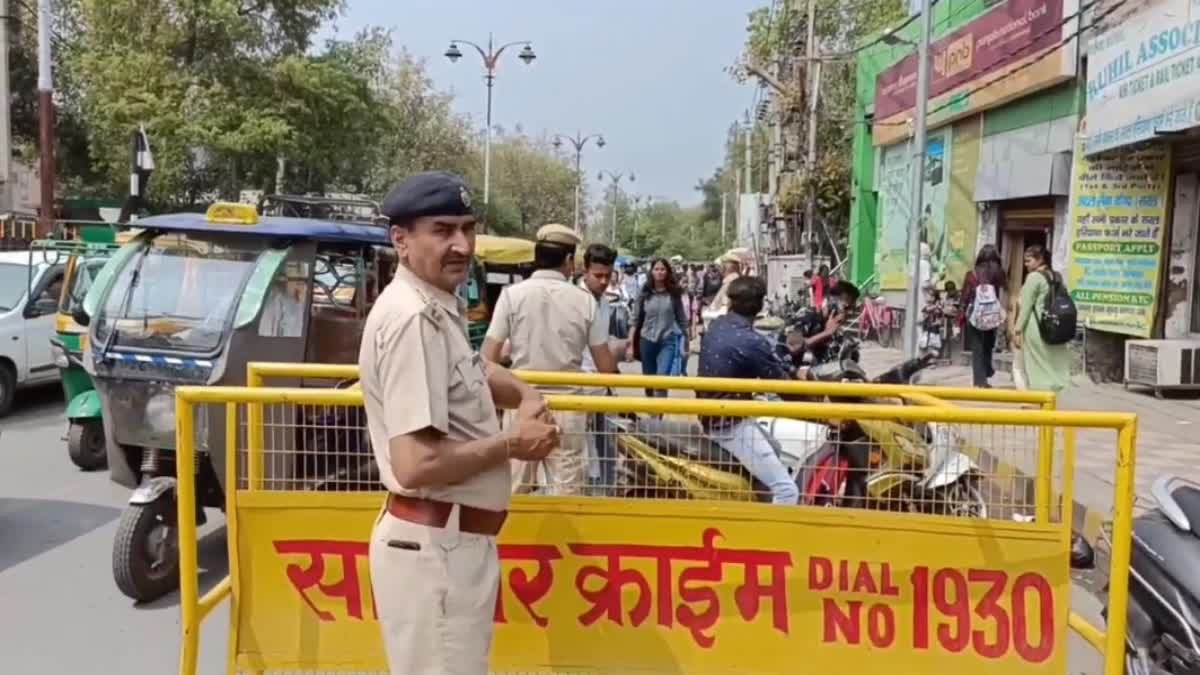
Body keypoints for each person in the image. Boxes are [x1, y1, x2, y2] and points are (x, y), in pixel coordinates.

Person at [358, 171, 560, 675]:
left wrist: (526, 392)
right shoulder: (412, 320)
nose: (461, 245)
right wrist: (512, 442)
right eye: (443, 230)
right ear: (401, 240)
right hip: (436, 550)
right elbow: (416, 462)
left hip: (449, 547)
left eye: (467, 229)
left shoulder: (434, 307)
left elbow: (474, 370)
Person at [482, 224, 619, 496]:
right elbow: (605, 366)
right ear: (569, 260)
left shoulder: (513, 295)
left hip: (522, 403)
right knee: (566, 492)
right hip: (568, 406)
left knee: (513, 490)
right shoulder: (584, 301)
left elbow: (488, 358)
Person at [697, 276, 804, 505]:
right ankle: (770, 538)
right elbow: (783, 386)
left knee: (775, 448)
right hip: (730, 424)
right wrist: (821, 408)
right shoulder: (750, 340)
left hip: (714, 415)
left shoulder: (718, 326)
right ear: (760, 305)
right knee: (787, 491)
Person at [1014, 244, 1072, 393]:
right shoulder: (1056, 275)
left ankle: (1039, 397)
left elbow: (1025, 307)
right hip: (1054, 324)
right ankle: (1054, 394)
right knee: (1051, 361)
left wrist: (1017, 330)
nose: (1025, 264)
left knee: (1036, 364)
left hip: (1037, 326)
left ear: (1040, 259)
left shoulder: (1034, 277)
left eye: (1028, 260)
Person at [628, 257, 689, 396]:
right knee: (649, 382)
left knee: (661, 381)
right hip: (647, 340)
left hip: (667, 340)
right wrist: (630, 345)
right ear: (652, 271)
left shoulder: (674, 293)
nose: (660, 272)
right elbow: (634, 320)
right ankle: (652, 413)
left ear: (667, 272)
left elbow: (682, 319)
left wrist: (686, 342)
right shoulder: (644, 292)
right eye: (656, 269)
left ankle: (658, 416)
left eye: (662, 269)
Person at [960, 244, 1008, 387]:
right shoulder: (999, 272)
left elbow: (965, 296)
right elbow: (1005, 289)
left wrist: (961, 313)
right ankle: (987, 369)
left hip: (975, 314)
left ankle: (979, 381)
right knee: (988, 344)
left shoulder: (972, 274)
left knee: (977, 347)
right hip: (991, 315)